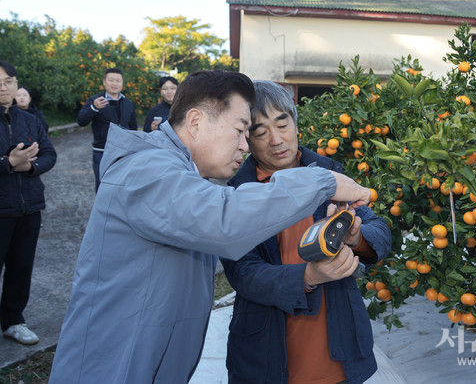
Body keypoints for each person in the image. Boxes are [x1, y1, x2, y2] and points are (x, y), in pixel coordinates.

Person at [48, 70, 371, 384]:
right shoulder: (147, 169)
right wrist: (322, 181)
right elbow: (225, 221)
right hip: (114, 367)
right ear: (196, 122)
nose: (245, 146)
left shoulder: (185, 178)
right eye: (241, 130)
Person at [221, 80, 392, 384]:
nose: (276, 140)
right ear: (246, 140)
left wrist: (356, 236)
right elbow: (244, 273)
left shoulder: (327, 174)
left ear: (296, 123)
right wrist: (308, 277)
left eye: (282, 124)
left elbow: (379, 229)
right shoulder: (238, 193)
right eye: (260, 132)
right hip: (269, 354)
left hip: (337, 350)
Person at [0, 60, 57, 345]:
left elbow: (49, 153)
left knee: (21, 268)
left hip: (29, 207)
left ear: (15, 83)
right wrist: (7, 163)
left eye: (8, 81)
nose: (3, 87)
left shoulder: (30, 120)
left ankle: (13, 321)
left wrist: (31, 168)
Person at [76, 67, 137, 191]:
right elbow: (81, 121)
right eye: (111, 80)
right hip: (102, 152)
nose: (114, 83)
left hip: (124, 153)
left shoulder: (128, 103)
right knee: (103, 187)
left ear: (122, 83)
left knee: (123, 187)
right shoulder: (96, 100)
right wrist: (94, 107)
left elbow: (133, 128)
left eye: (118, 81)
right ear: (104, 82)